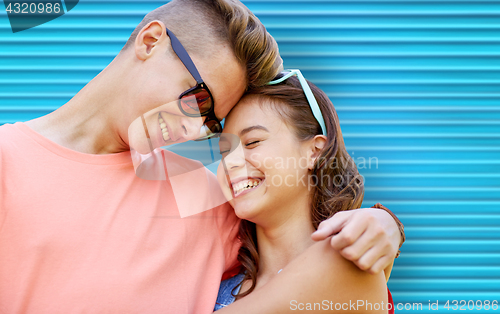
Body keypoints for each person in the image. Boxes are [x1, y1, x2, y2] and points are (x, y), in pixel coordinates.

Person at [0, 1, 404, 313]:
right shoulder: (8, 163)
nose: (194, 132)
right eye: (198, 99)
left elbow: (294, 223)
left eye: (211, 123)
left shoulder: (199, 191)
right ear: (151, 41)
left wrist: (384, 224)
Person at [213, 70, 395, 313]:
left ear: (314, 151)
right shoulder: (216, 285)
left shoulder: (347, 263)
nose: (230, 162)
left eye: (252, 142)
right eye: (225, 152)